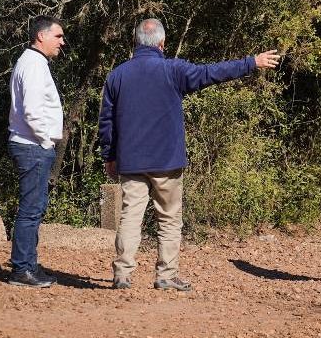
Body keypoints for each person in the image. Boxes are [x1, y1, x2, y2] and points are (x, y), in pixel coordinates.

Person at [98, 18, 280, 291]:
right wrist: (251, 62)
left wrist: (109, 156)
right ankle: (166, 276)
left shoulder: (117, 75)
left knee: (130, 217)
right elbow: (211, 73)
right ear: (162, 43)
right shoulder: (173, 70)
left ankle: (122, 274)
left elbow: (106, 122)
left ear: (135, 42)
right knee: (169, 218)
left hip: (131, 160)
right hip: (167, 162)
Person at [7, 15, 65, 287]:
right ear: (41, 36)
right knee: (31, 210)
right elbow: (31, 110)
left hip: (32, 145)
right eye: (58, 36)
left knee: (35, 207)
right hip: (32, 146)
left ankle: (29, 265)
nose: (62, 42)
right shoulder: (32, 65)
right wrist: (45, 141)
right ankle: (21, 270)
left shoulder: (34, 63)